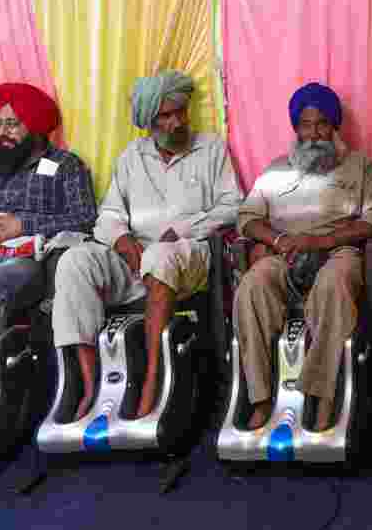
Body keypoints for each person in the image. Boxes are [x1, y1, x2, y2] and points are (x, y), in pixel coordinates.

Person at [52, 71, 242, 421]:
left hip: (189, 259)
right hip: (137, 259)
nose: (176, 122)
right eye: (165, 117)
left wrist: (183, 229)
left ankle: (154, 381)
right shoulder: (131, 157)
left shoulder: (211, 148)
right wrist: (122, 239)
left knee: (160, 254)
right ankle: (90, 386)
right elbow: (107, 214)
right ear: (149, 123)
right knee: (74, 261)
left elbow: (233, 206)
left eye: (180, 113)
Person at [234, 82, 372, 430]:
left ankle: (322, 397)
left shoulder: (359, 167)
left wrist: (321, 242)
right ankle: (260, 399)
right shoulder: (276, 169)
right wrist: (277, 239)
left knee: (334, 283)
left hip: (337, 252)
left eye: (322, 124)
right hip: (285, 253)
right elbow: (247, 218)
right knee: (252, 286)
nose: (314, 133)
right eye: (306, 124)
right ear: (296, 128)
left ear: (335, 126)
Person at [0, 83, 96, 430]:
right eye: (0, 123)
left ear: (36, 126)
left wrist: (22, 224)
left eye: (13, 124)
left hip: (30, 262)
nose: (3, 132)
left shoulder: (65, 166)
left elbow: (85, 218)